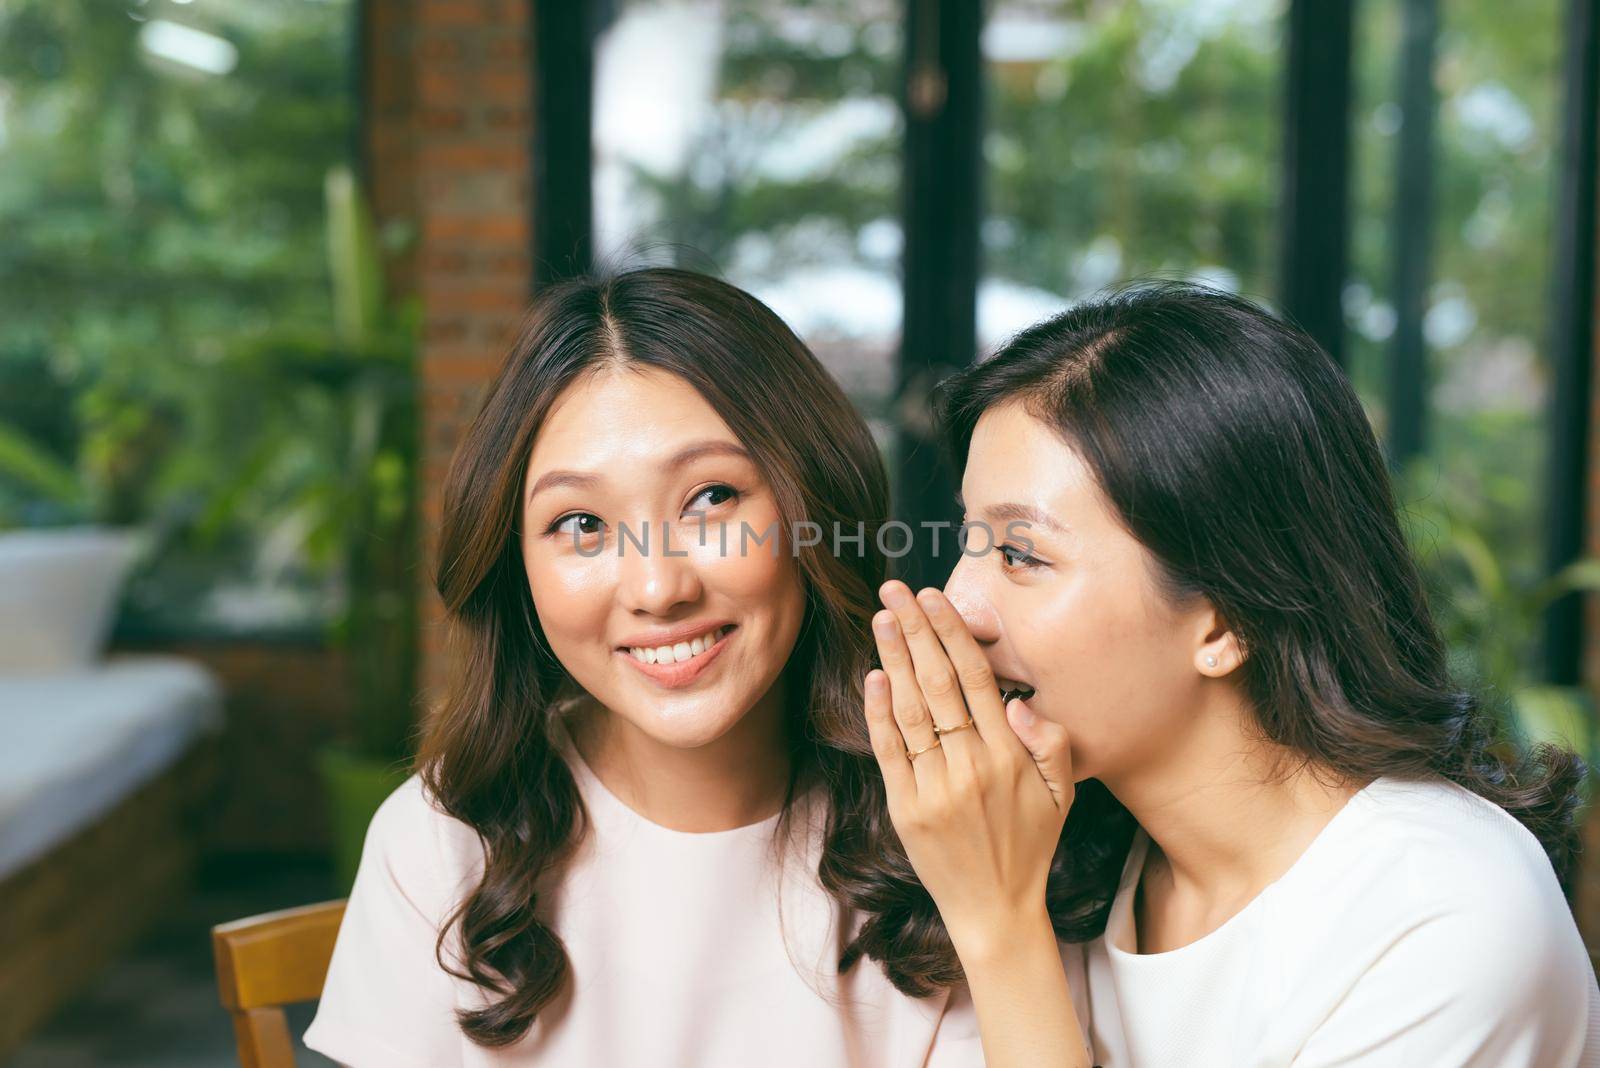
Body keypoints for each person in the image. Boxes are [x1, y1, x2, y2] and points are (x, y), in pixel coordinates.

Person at [860, 281, 1600, 1067]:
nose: (954, 604)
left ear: (1226, 622)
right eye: (970, 539)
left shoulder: (1444, 922)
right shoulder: (1060, 849)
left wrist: (1001, 929)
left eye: (1020, 554)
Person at [303, 268, 987, 1066]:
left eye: (710, 498)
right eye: (582, 522)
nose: (659, 588)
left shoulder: (956, 823)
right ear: (515, 565)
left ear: (813, 510)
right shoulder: (444, 843)